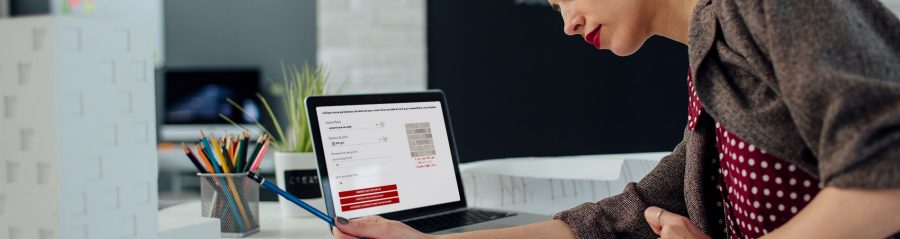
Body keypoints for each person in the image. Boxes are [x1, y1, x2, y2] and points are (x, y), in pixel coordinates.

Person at [331, 0, 900, 238]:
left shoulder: (769, 8)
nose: (569, 24)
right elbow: (613, 222)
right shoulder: (710, 61)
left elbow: (888, 171)